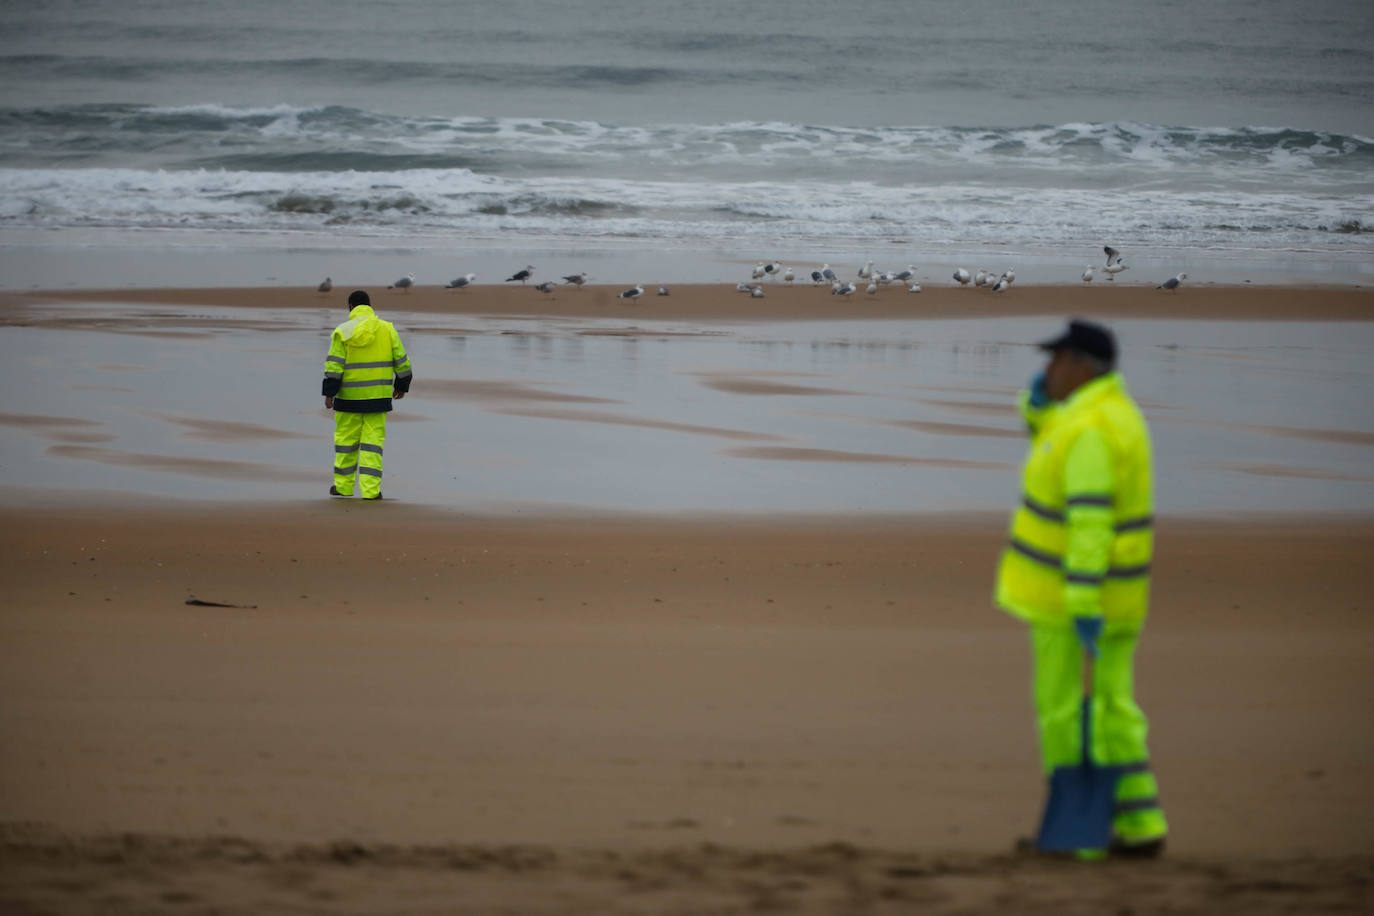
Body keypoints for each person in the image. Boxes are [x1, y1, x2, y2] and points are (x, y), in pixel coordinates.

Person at [995, 318, 1168, 858]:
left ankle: (1080, 836)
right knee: (1113, 708)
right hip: (1115, 599)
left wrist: (1082, 599)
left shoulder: (1093, 428)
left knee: (1064, 710)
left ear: (1081, 366)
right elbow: (1050, 435)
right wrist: (1039, 402)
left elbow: (1090, 522)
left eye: (1056, 361)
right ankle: (1140, 827)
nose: (1047, 368)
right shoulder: (1107, 414)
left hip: (1073, 603)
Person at [321, 289, 412, 500]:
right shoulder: (387, 329)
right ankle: (371, 492)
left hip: (348, 398)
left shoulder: (342, 331)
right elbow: (402, 361)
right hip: (378, 398)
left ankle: (343, 487)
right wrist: (402, 385)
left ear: (351, 307)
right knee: (373, 446)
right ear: (370, 306)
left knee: (345, 443)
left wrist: (329, 393)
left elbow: (334, 366)